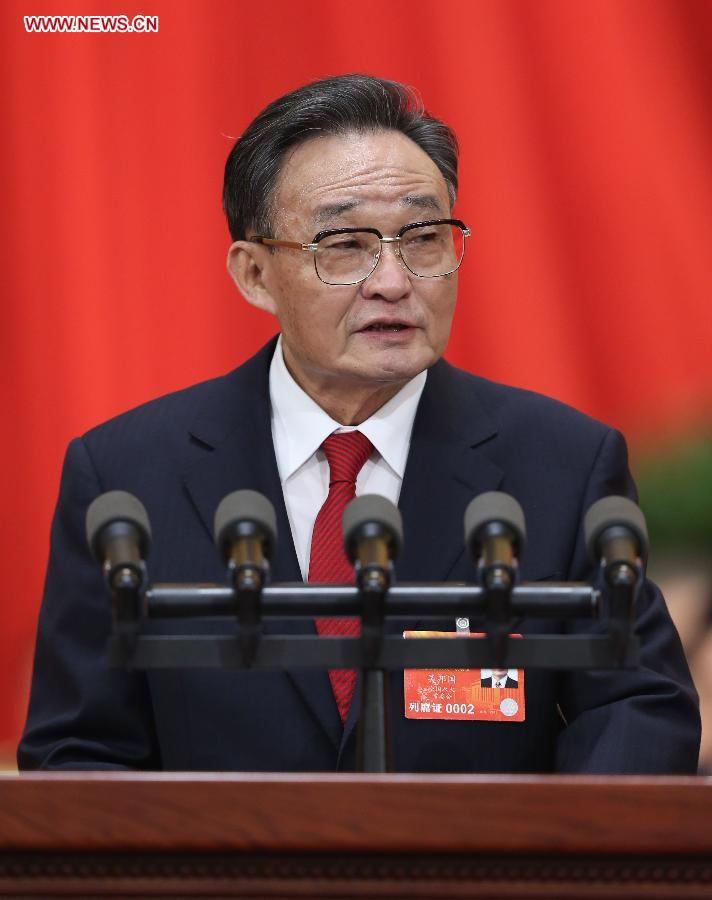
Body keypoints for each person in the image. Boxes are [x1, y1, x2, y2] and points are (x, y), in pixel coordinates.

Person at [18, 74, 700, 774]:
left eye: (424, 237)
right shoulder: (128, 475)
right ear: (254, 274)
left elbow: (637, 706)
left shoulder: (563, 464)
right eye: (344, 245)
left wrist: (552, 867)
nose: (394, 281)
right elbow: (79, 750)